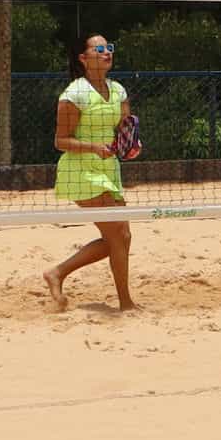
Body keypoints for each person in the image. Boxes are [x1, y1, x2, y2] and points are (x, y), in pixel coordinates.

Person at [43, 33, 138, 312]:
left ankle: (57, 273)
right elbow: (61, 141)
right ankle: (125, 303)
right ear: (83, 58)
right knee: (118, 236)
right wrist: (94, 147)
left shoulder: (118, 90)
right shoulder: (74, 94)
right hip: (81, 170)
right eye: (99, 49)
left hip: (108, 168)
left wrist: (131, 144)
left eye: (109, 48)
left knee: (121, 238)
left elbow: (125, 129)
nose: (107, 52)